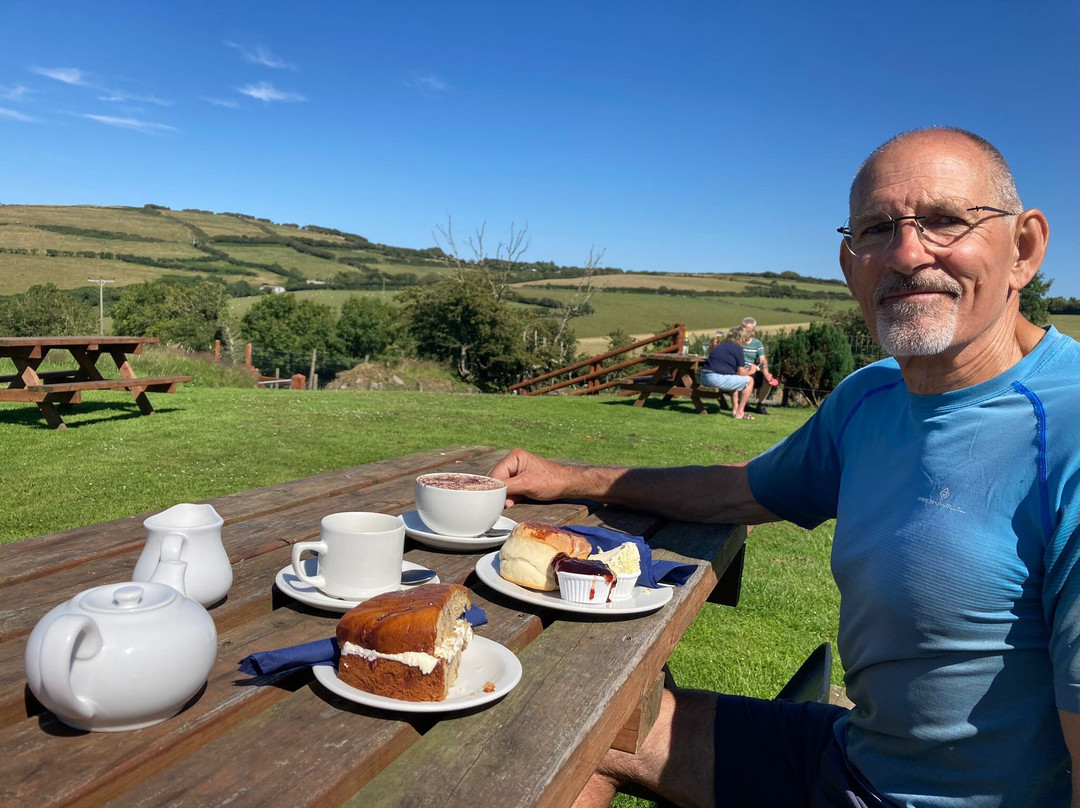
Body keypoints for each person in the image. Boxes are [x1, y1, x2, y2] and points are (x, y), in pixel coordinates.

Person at [490, 127, 1080, 807]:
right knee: (587, 730)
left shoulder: (1064, 435)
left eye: (946, 221)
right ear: (849, 261)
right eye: (877, 230)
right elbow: (740, 490)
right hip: (850, 754)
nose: (908, 254)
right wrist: (568, 478)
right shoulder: (871, 396)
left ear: (1024, 248)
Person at [700, 324, 758, 420]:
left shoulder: (722, 346)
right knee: (750, 381)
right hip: (715, 378)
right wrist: (752, 371)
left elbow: (737, 374)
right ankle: (740, 413)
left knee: (734, 378)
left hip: (704, 377)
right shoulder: (737, 348)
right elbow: (742, 373)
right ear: (742, 338)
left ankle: (735, 409)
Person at [739, 316, 777, 414]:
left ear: (753, 331)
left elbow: (763, 360)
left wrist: (766, 373)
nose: (745, 332)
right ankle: (743, 405)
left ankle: (761, 405)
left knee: (767, 380)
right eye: (743, 329)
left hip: (752, 371)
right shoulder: (737, 342)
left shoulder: (757, 344)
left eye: (747, 330)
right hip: (740, 371)